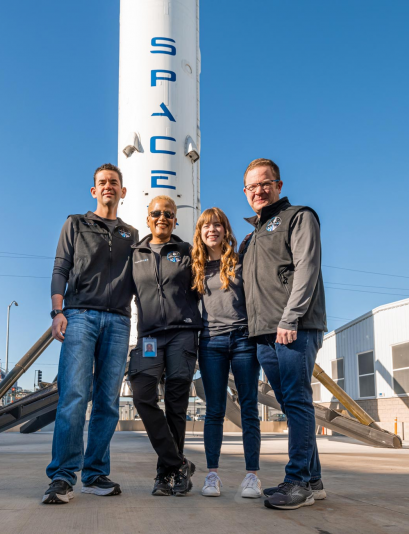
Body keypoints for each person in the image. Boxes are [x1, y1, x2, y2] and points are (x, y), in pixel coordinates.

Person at [43, 163, 139, 504]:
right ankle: (63, 476)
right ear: (94, 191)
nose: (108, 186)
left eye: (114, 182)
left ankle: (96, 473)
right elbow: (60, 269)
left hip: (118, 322)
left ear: (123, 191)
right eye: (102, 182)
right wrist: (58, 312)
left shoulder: (131, 234)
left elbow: (139, 282)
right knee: (74, 396)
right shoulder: (76, 223)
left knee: (108, 403)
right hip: (80, 316)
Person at [239, 158, 328, 510]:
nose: (258, 191)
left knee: (297, 401)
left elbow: (307, 267)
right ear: (245, 192)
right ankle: (314, 480)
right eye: (251, 187)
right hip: (263, 333)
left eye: (265, 183)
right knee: (293, 406)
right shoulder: (253, 235)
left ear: (278, 184)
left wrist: (290, 318)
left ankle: (297, 482)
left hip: (293, 328)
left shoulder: (299, 216)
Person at [129, 195, 202, 497]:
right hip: (148, 336)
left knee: (176, 403)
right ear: (147, 218)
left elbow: (206, 288)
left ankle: (165, 475)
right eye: (156, 213)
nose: (162, 217)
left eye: (169, 214)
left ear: (175, 220)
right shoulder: (133, 254)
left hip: (182, 333)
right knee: (143, 395)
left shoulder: (186, 252)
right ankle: (179, 464)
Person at [190, 207, 262, 498]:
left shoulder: (240, 262)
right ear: (200, 232)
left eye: (218, 225)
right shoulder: (195, 267)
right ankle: (212, 475)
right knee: (215, 410)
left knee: (248, 408)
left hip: (243, 340)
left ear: (225, 230)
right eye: (207, 226)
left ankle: (252, 477)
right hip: (211, 343)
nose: (213, 230)